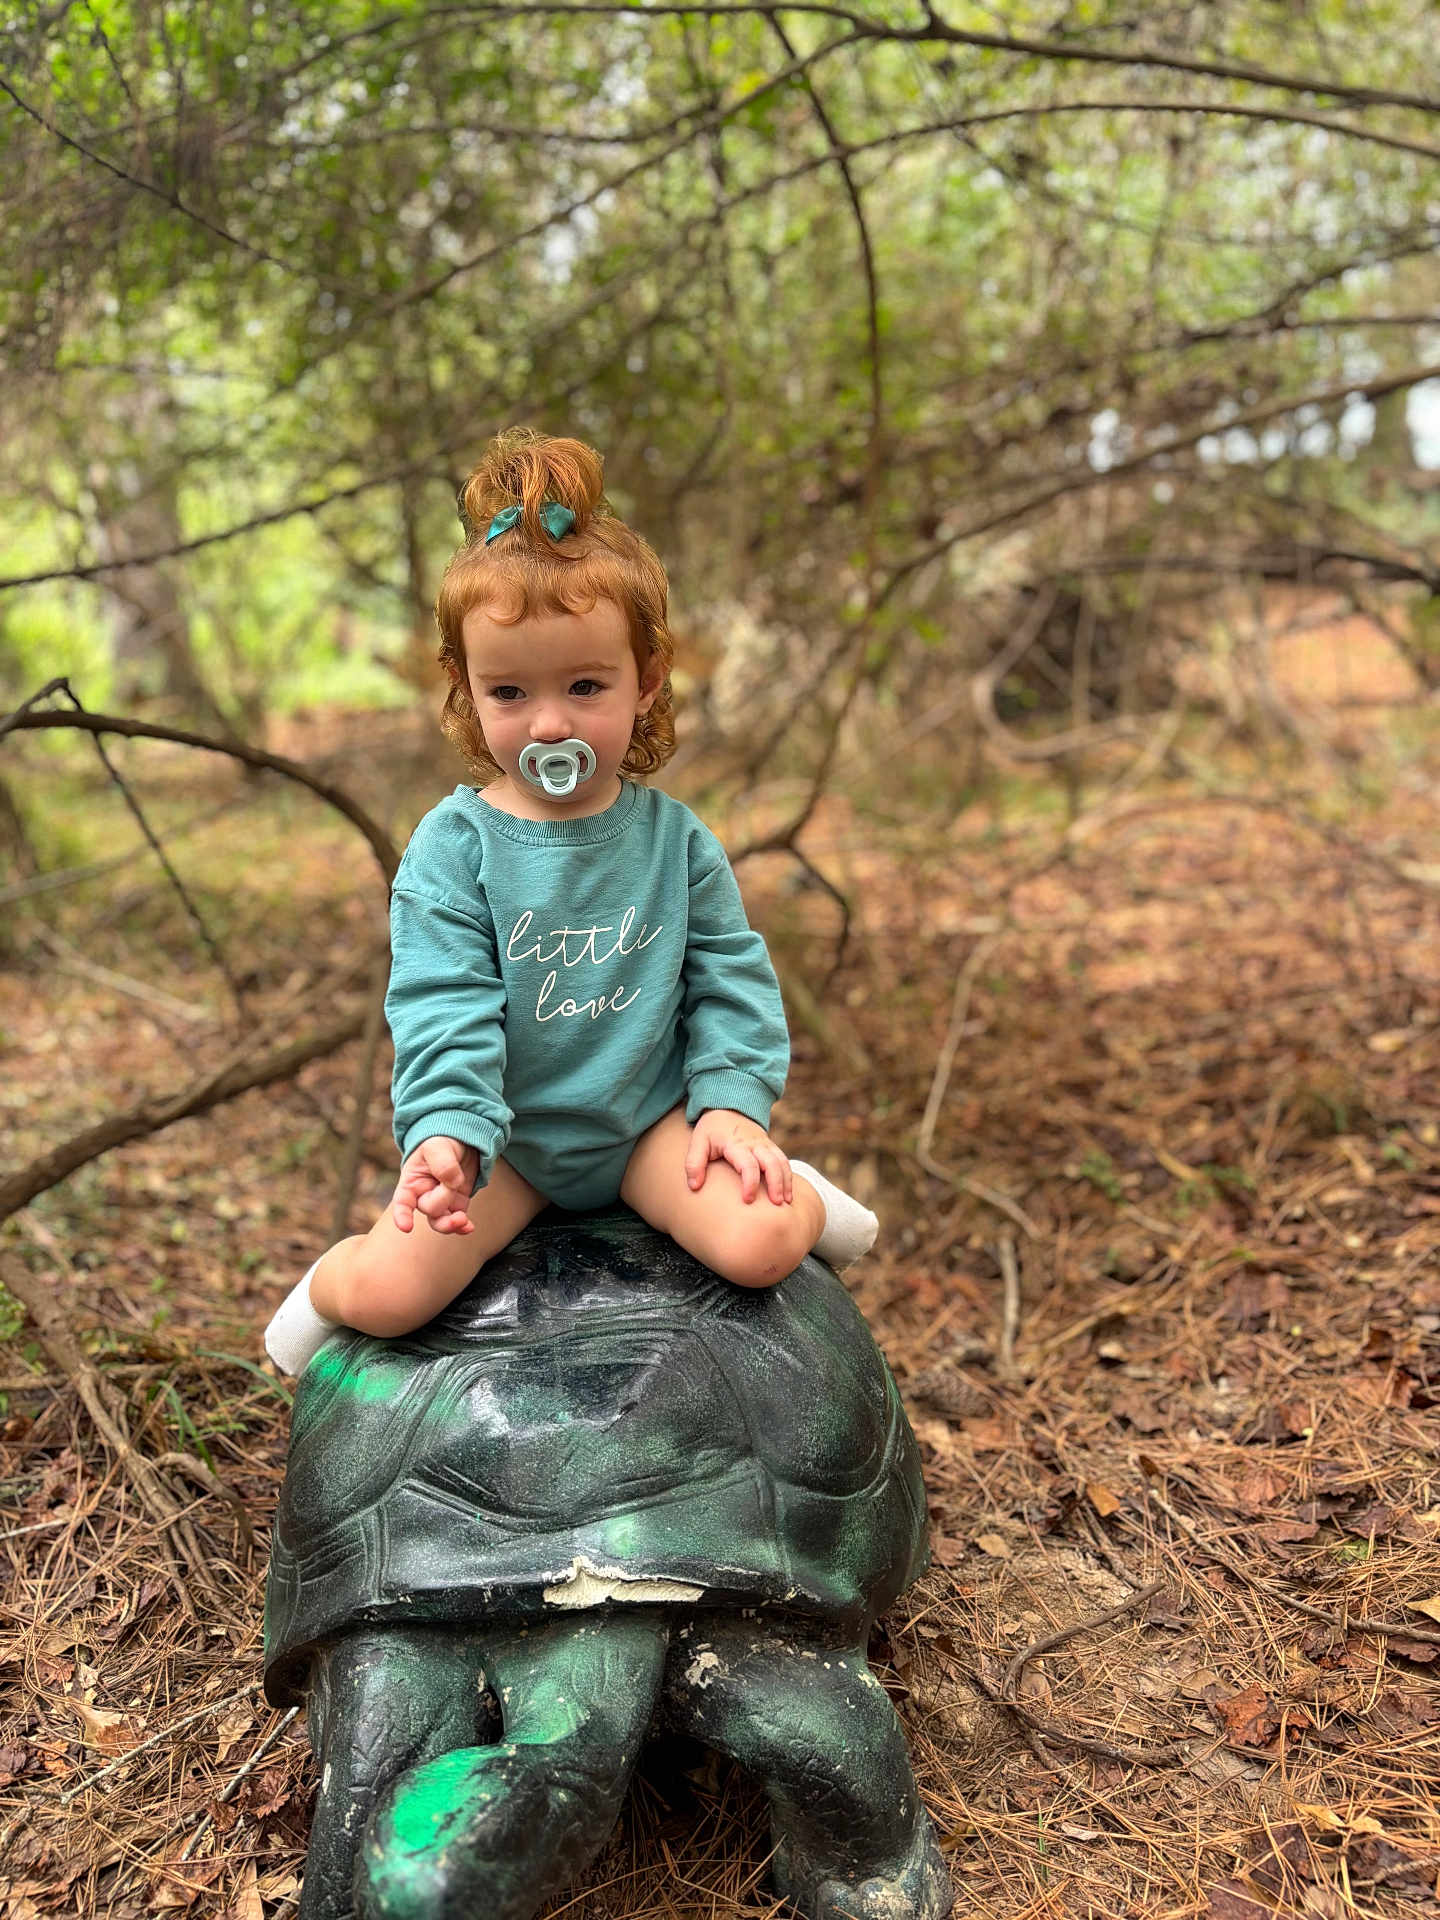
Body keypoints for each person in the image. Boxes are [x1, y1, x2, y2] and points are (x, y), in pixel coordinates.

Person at [265, 429, 876, 1376]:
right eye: (509, 691)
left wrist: (730, 1106)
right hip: (508, 1144)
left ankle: (801, 1193)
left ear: (649, 679)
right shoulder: (453, 847)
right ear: (469, 693)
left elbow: (729, 979)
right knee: (391, 1298)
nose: (549, 723)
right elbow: (441, 1001)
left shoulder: (674, 842)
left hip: (646, 1128)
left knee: (760, 1246)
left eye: (586, 685)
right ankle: (324, 1287)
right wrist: (446, 1134)